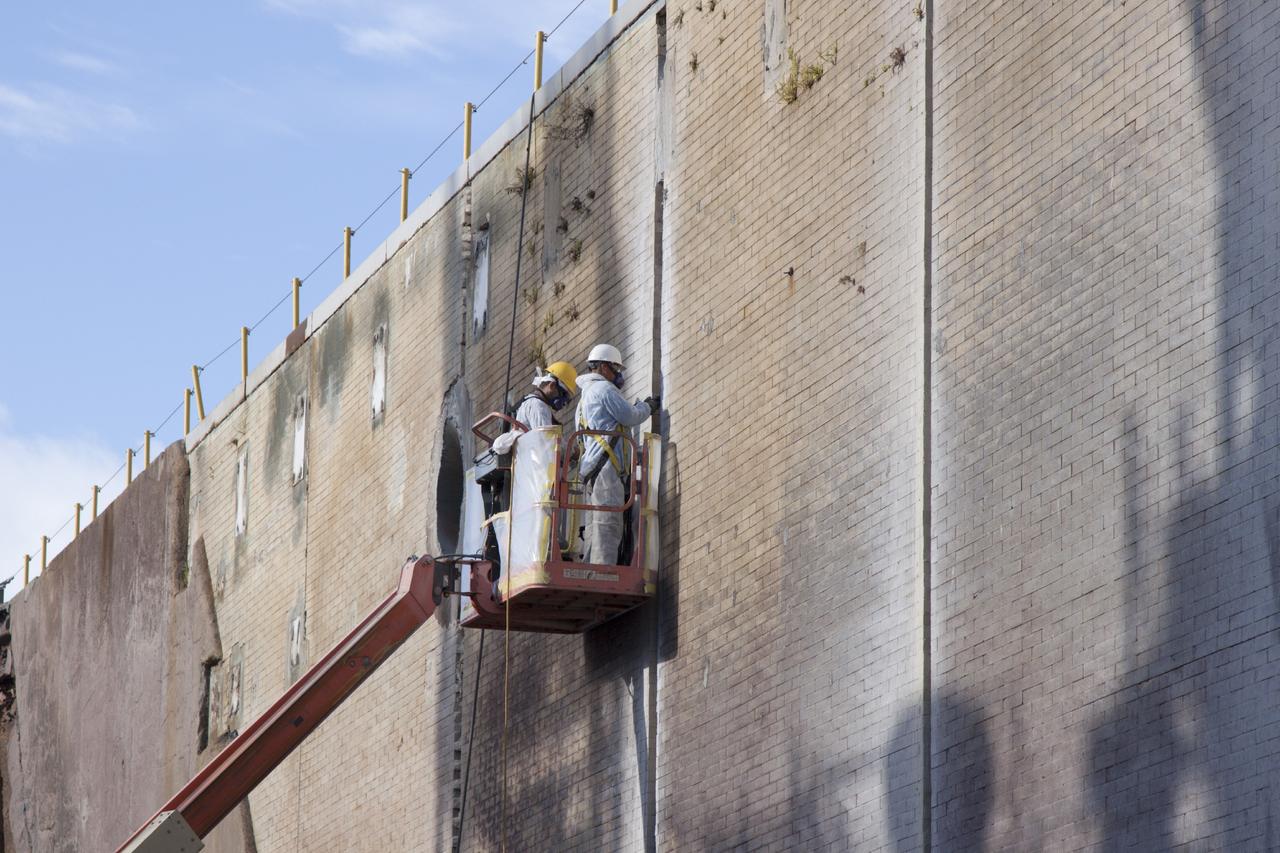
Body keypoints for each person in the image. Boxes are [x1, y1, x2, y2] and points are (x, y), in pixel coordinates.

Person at [576, 343, 660, 564]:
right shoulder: (604, 389)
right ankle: (603, 572)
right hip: (606, 468)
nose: (619, 375)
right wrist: (648, 407)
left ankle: (591, 570)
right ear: (604, 367)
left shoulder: (584, 397)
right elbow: (629, 416)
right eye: (616, 369)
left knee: (595, 525)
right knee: (608, 522)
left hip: (592, 469)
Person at [491, 361, 578, 454]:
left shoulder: (534, 403)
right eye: (563, 394)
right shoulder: (538, 406)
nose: (564, 401)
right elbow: (547, 440)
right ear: (552, 386)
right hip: (535, 464)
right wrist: (571, 452)